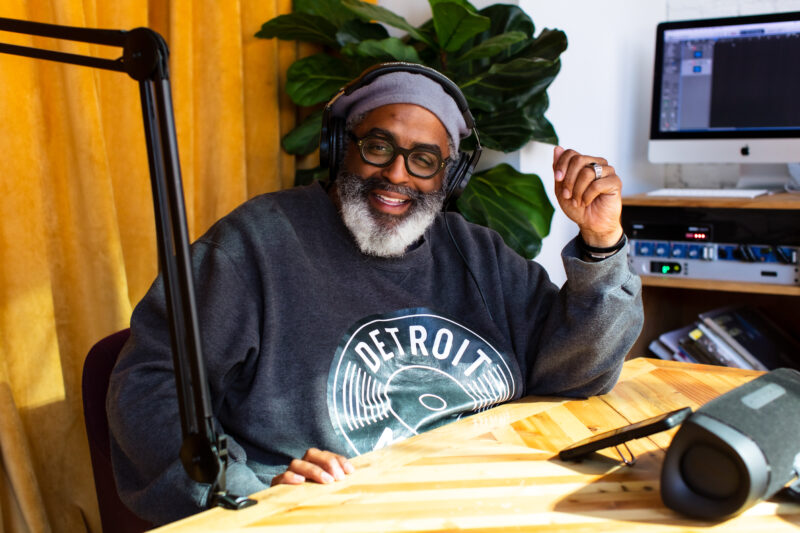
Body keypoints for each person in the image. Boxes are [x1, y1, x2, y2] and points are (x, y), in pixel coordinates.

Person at [107, 62, 643, 525]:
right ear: (341, 146)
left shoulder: (476, 252)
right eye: (378, 145)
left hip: (485, 500)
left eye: (424, 160)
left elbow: (576, 374)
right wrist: (248, 497)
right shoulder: (255, 245)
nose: (395, 174)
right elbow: (151, 387)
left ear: (448, 176)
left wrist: (601, 243)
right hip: (328, 515)